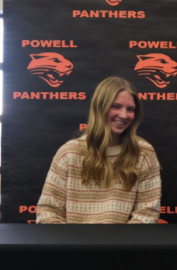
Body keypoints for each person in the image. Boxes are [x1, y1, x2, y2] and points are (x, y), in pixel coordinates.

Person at [36, 77, 162, 224]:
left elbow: (147, 214)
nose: (124, 115)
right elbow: (48, 212)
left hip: (123, 244)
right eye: (116, 106)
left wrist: (119, 244)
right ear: (100, 107)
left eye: (130, 109)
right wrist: (72, 243)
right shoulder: (69, 152)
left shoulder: (144, 153)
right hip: (73, 244)